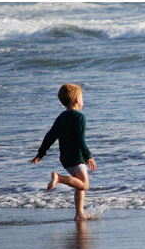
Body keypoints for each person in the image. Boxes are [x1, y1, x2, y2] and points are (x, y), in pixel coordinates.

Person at [31, 82, 97, 220]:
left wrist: (41, 153)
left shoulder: (62, 117)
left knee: (78, 184)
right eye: (82, 98)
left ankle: (79, 214)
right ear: (77, 100)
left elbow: (50, 135)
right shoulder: (80, 117)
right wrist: (88, 156)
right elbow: (80, 139)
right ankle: (59, 178)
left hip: (65, 158)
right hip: (76, 156)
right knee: (84, 184)